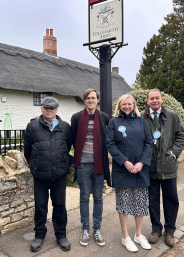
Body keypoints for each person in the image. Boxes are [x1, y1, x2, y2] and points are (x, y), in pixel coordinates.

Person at [24, 97, 72, 252]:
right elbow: (27, 151)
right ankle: (39, 235)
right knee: (40, 206)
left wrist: (63, 166)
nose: (49, 110)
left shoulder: (65, 127)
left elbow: (67, 147)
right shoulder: (32, 126)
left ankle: (61, 235)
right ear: (41, 109)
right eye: (46, 108)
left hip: (59, 175)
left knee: (59, 206)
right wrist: (35, 167)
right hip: (40, 176)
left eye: (52, 108)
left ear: (57, 110)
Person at [106, 94, 153, 253]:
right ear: (119, 106)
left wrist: (141, 163)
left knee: (140, 204)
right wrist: (125, 162)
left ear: (134, 106)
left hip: (140, 169)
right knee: (124, 204)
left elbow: (149, 143)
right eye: (124, 104)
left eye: (129, 104)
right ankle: (125, 236)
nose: (127, 107)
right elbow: (110, 145)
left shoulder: (142, 122)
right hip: (122, 169)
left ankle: (138, 234)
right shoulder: (113, 122)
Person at [140, 89, 184, 247]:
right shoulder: (141, 117)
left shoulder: (172, 115)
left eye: (157, 98)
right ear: (147, 101)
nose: (154, 101)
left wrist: (173, 153)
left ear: (162, 99)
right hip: (150, 167)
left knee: (171, 200)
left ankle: (170, 231)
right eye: (151, 98)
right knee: (152, 201)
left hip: (168, 166)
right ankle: (156, 229)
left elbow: (181, 135)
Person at [71, 89, 110, 247]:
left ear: (97, 100)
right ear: (85, 100)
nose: (90, 100)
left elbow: (109, 138)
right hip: (83, 165)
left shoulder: (104, 117)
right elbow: (73, 139)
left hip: (99, 164)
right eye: (88, 98)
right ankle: (85, 229)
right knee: (84, 198)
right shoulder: (76, 117)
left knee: (99, 198)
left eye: (93, 98)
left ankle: (97, 229)